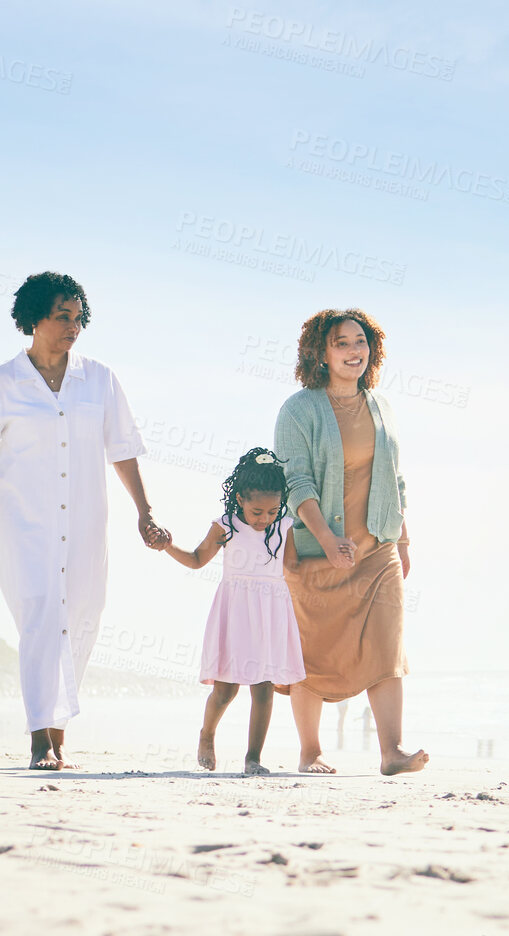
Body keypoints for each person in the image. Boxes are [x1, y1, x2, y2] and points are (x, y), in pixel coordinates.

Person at [0, 272, 170, 770]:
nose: (73, 326)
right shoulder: (0, 382)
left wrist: (145, 512)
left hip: (86, 523)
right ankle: (41, 741)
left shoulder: (100, 379)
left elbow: (124, 452)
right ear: (33, 319)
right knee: (42, 615)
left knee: (80, 619)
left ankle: (57, 737)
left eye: (79, 317)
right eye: (63, 316)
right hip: (25, 524)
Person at [274, 308, 427, 776]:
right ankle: (310, 750)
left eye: (359, 341)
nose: (352, 351)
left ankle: (392, 751)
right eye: (341, 342)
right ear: (321, 352)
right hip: (319, 548)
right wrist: (328, 537)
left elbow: (394, 477)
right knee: (314, 650)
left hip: (377, 546)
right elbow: (296, 482)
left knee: (386, 642)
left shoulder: (380, 405)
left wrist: (402, 537)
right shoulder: (299, 409)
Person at [161, 447, 306, 775]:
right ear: (239, 499)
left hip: (271, 611)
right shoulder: (225, 525)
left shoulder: (284, 527)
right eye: (257, 512)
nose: (263, 519)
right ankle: (207, 733)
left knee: (264, 690)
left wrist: (336, 557)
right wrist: (169, 546)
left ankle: (253, 757)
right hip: (236, 611)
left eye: (271, 511)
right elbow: (197, 560)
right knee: (225, 691)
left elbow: (296, 567)